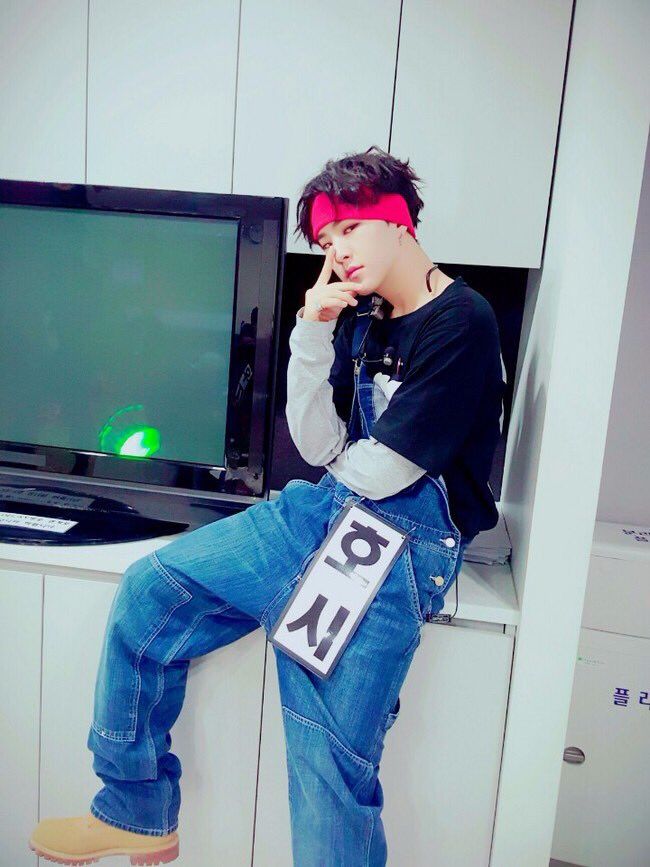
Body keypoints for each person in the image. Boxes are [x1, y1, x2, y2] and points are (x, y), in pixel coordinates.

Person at [28, 146, 506, 866]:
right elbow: (316, 443)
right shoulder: (364, 317)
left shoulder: (462, 321)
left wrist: (339, 463)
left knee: (326, 759)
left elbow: (382, 473)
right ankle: (135, 810)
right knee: (151, 591)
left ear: (399, 220)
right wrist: (311, 330)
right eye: (326, 240)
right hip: (329, 507)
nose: (337, 252)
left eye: (349, 228)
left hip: (395, 540)